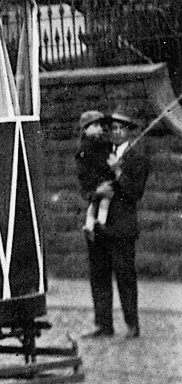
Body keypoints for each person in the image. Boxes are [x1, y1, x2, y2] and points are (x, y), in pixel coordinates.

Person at [82, 105, 150, 339]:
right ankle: (104, 324)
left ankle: (132, 324)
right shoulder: (102, 152)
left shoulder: (137, 157)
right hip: (100, 226)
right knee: (99, 276)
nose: (116, 132)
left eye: (122, 128)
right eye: (113, 128)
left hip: (122, 227)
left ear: (130, 132)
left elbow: (134, 193)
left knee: (125, 277)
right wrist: (96, 191)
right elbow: (87, 180)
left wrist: (118, 171)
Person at [75, 110, 115, 241]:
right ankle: (95, 223)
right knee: (101, 200)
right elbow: (86, 170)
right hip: (96, 182)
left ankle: (95, 224)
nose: (100, 129)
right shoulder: (87, 148)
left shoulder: (102, 144)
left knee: (100, 202)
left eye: (100, 126)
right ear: (86, 130)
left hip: (99, 181)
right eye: (95, 126)